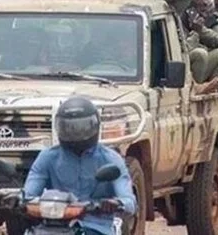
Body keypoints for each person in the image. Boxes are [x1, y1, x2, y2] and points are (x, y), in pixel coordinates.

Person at [23, 97, 136, 235]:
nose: (75, 133)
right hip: (52, 225)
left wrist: (114, 204)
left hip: (96, 226)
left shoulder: (110, 159)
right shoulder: (47, 157)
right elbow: (28, 196)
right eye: (68, 127)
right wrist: (16, 199)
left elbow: (129, 202)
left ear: (95, 125)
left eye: (82, 128)